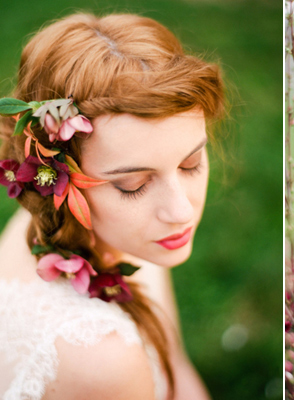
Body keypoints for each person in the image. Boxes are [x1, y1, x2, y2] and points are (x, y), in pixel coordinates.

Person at [0, 12, 224, 400]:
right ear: (53, 179)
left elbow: (176, 366)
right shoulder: (102, 359)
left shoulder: (59, 225)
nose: (181, 212)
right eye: (133, 185)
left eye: (191, 163)